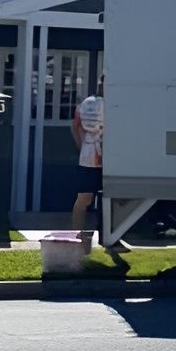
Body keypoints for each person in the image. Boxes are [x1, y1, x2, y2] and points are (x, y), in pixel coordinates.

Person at [70, 75, 104, 234]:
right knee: (104, 199)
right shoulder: (111, 104)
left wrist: (81, 145)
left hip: (87, 156)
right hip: (104, 159)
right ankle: (106, 235)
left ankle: (76, 233)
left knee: (84, 198)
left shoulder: (85, 103)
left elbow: (74, 127)